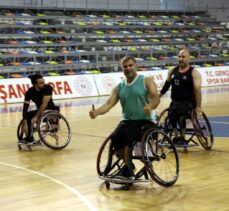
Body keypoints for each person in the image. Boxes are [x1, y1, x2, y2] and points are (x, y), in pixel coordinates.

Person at [89, 56, 160, 179]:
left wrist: (150, 107)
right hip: (127, 121)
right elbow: (108, 104)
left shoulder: (146, 80)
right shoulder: (119, 87)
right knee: (115, 138)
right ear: (122, 69)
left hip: (145, 121)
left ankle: (127, 168)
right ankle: (129, 165)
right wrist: (96, 113)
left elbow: (156, 97)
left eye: (130, 65)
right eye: (125, 66)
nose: (128, 68)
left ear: (136, 66)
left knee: (129, 135)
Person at [160, 49, 202, 145]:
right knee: (171, 116)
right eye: (179, 57)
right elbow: (166, 86)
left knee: (181, 116)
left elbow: (197, 91)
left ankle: (182, 137)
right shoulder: (172, 71)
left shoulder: (194, 72)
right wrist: (158, 96)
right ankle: (176, 137)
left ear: (188, 58)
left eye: (183, 57)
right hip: (175, 102)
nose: (181, 59)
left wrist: (198, 106)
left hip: (188, 102)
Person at [20, 74, 58, 144]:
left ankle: (29, 137)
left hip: (51, 111)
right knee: (27, 115)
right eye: (41, 83)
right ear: (35, 84)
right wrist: (24, 122)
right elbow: (25, 107)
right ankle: (30, 135)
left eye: (44, 81)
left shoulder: (48, 88)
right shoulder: (29, 92)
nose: (44, 84)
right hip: (40, 111)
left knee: (32, 119)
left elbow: (44, 105)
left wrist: (36, 117)